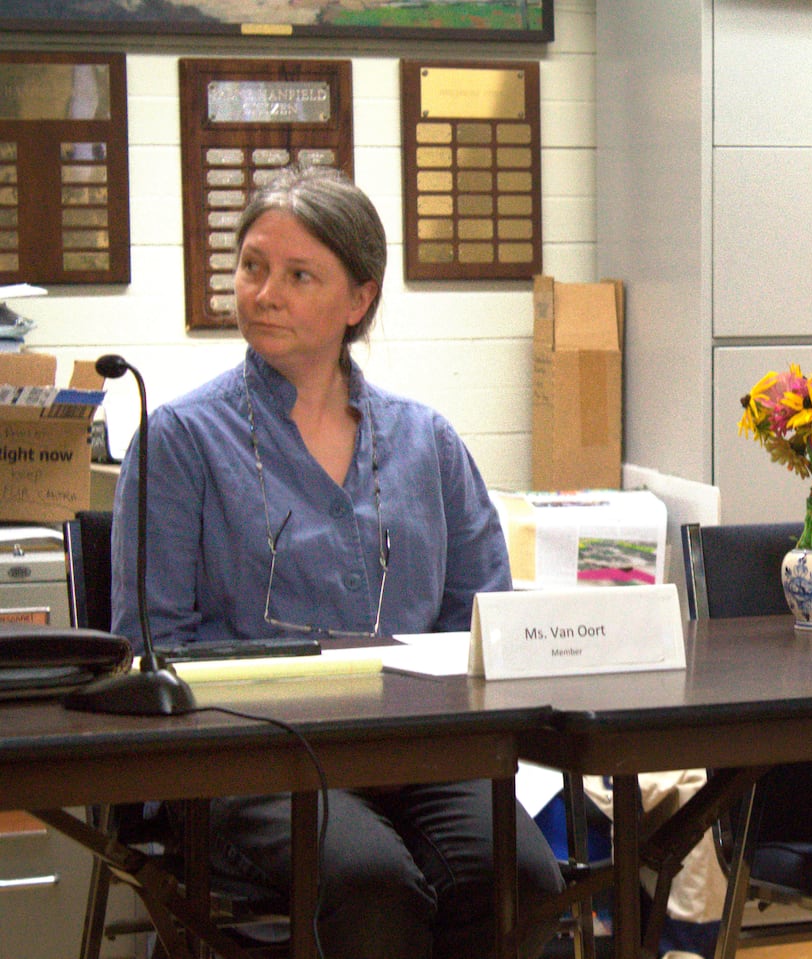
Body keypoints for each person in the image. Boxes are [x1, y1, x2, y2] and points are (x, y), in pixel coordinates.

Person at [110, 164, 564, 959]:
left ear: (357, 300)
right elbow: (155, 646)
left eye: (297, 275)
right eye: (252, 266)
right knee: (370, 888)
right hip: (252, 755)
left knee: (521, 879)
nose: (264, 292)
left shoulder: (428, 441)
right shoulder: (179, 442)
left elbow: (483, 619)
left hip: (421, 750)